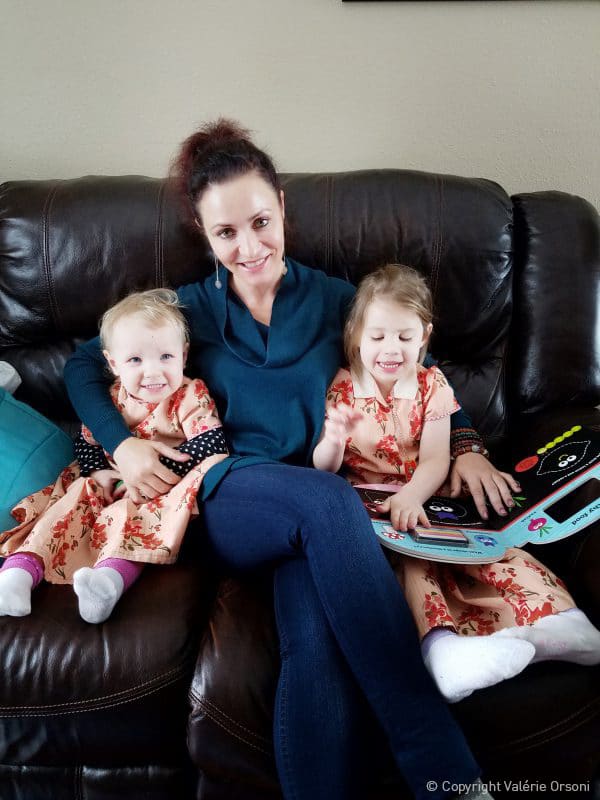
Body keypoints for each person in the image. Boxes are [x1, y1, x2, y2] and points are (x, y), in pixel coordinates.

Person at [60, 118, 523, 800]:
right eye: (226, 234)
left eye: (260, 221)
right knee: (327, 503)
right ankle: (445, 773)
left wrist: (467, 444)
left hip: (314, 513)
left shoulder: (338, 301)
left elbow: (411, 371)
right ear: (203, 233)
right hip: (223, 495)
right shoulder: (183, 311)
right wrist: (125, 444)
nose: (248, 247)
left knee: (319, 648)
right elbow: (78, 365)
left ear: (282, 206)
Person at [313, 263, 600, 703]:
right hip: (377, 515)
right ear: (355, 336)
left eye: (406, 337)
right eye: (378, 336)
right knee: (416, 567)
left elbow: (433, 459)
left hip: (432, 497)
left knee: (498, 553)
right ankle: (445, 650)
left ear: (424, 337)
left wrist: (413, 495)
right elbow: (325, 470)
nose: (391, 349)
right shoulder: (342, 389)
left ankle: (557, 625)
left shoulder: (433, 386)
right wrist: (332, 438)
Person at [0, 289, 228, 623]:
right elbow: (86, 441)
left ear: (184, 354)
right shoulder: (111, 399)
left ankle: (107, 583)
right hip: (108, 480)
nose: (152, 373)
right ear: (112, 364)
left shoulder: (190, 395)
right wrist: (99, 473)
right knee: (66, 506)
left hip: (161, 488)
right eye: (135, 360)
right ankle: (18, 574)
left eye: (165, 357)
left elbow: (211, 442)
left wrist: (153, 470)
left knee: (141, 521)